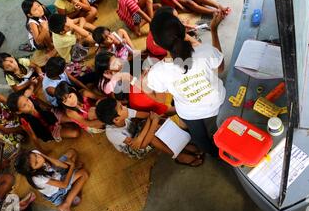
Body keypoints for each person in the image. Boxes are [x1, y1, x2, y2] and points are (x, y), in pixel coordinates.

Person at [145, 10, 227, 156]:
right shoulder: (205, 51)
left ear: (157, 43)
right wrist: (213, 31)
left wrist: (142, 84)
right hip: (217, 101)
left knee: (199, 139)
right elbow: (220, 68)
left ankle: (215, 154)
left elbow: (160, 100)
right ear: (184, 32)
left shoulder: (156, 73)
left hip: (190, 113)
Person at [95, 97, 203, 166]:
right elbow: (138, 145)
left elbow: (148, 115)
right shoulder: (112, 133)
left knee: (158, 123)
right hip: (133, 149)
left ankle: (181, 145)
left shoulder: (125, 112)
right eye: (121, 107)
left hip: (139, 132)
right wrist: (152, 123)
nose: (124, 107)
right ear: (116, 120)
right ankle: (178, 154)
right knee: (153, 136)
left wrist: (152, 122)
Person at [14, 149, 89, 211]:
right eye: (36, 162)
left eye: (36, 156)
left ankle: (71, 187)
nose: (39, 158)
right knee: (84, 174)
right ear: (33, 171)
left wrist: (67, 166)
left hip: (55, 172)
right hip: (57, 190)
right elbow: (64, 185)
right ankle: (66, 203)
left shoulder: (34, 153)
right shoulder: (37, 178)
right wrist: (72, 166)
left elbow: (55, 163)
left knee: (72, 152)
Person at [94, 51, 174, 116]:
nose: (119, 62)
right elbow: (160, 100)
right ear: (107, 72)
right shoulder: (115, 86)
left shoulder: (120, 72)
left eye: (117, 59)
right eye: (114, 63)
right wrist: (136, 80)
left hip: (137, 96)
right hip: (139, 101)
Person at [7, 92, 81, 153]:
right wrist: (42, 151)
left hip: (51, 117)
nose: (29, 104)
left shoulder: (32, 99)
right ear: (19, 111)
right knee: (75, 133)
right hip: (49, 131)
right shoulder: (24, 121)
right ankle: (62, 127)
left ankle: (63, 124)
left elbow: (46, 106)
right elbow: (34, 137)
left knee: (74, 118)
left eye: (27, 100)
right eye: (24, 105)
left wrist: (56, 112)